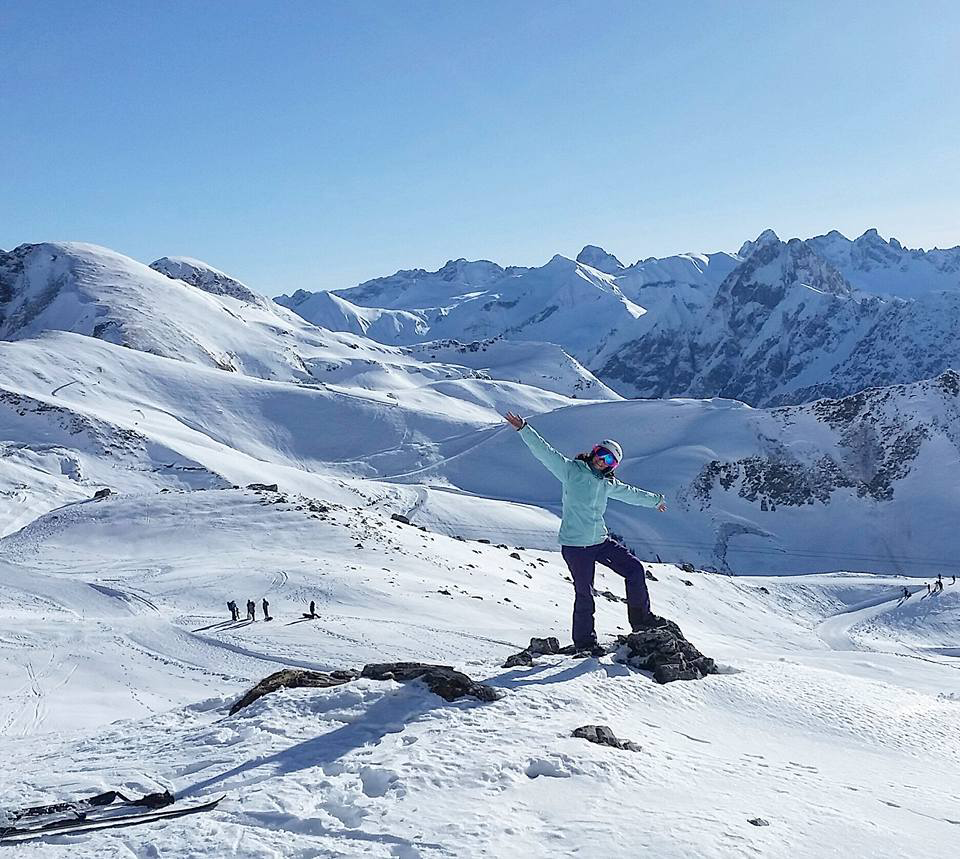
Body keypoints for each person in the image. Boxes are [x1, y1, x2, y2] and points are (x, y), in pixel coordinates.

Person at [504, 411, 667, 651]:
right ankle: (585, 643)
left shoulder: (607, 483)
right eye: (601, 455)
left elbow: (631, 494)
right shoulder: (570, 471)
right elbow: (544, 452)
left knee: (635, 570)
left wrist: (655, 501)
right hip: (575, 546)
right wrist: (524, 429)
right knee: (585, 593)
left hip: (600, 542)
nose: (602, 462)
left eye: (609, 461)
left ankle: (641, 621)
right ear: (594, 452)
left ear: (613, 467)